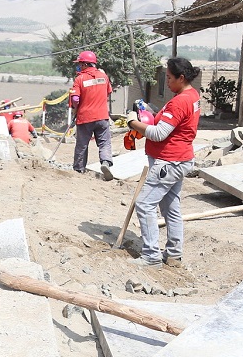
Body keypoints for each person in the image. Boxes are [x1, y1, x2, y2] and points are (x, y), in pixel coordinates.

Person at [125, 57, 201, 268]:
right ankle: (174, 254)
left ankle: (151, 256)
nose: (166, 82)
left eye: (168, 77)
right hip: (180, 159)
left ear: (181, 77)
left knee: (145, 204)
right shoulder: (192, 95)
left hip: (169, 162)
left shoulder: (179, 102)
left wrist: (133, 122)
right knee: (171, 208)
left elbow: (159, 134)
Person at [69, 50, 114, 177]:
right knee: (104, 142)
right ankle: (105, 162)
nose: (79, 66)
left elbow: (75, 99)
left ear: (84, 64)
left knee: (82, 144)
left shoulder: (79, 79)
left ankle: (79, 169)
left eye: (80, 64)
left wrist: (76, 108)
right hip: (102, 116)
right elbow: (108, 92)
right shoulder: (104, 77)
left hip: (85, 117)